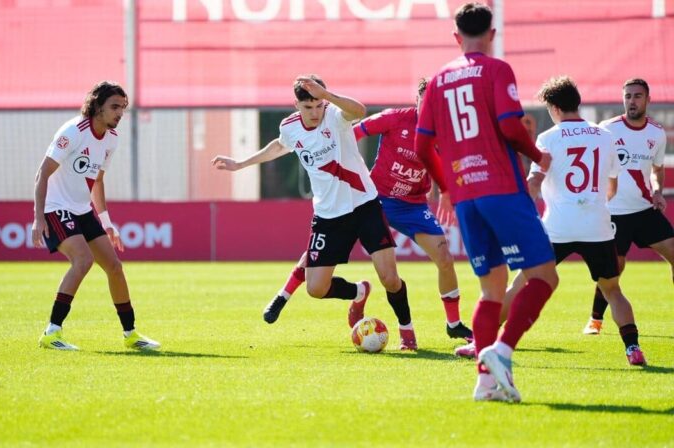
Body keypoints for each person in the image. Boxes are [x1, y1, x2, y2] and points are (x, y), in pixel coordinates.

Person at [262, 78, 475, 353]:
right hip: (375, 198)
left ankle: (453, 323)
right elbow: (354, 131)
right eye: (426, 104)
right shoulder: (394, 119)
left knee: (443, 259)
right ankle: (286, 292)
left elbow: (454, 164)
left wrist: (448, 191)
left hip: (412, 205)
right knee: (320, 248)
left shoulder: (449, 133)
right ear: (418, 102)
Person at [414, 2, 558, 402]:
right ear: (492, 35)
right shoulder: (497, 69)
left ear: (456, 38)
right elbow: (510, 125)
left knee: (490, 291)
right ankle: (503, 350)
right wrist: (536, 153)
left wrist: (445, 185)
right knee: (545, 276)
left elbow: (421, 144)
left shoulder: (439, 79)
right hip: (501, 188)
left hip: (465, 195)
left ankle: (485, 382)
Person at [212, 75, 416, 346]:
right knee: (316, 288)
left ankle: (407, 333)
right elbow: (279, 146)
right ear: (296, 105)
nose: (315, 113)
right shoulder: (291, 128)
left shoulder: (335, 115)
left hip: (364, 205)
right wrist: (240, 164)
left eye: (318, 106)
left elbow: (360, 111)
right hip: (329, 216)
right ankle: (358, 292)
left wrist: (327, 96)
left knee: (390, 279)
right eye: (308, 107)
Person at [504, 76, 646, 366]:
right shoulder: (605, 137)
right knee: (613, 291)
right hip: (597, 226)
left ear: (555, 108)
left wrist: (522, 208)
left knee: (521, 282)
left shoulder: (548, 138)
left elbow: (534, 182)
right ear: (576, 103)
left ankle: (481, 340)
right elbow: (612, 186)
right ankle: (633, 349)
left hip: (557, 227)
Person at [32, 81, 159, 352]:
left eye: (123, 108)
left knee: (114, 267)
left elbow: (97, 181)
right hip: (57, 207)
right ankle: (51, 332)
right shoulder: (73, 131)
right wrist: (38, 217)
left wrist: (107, 222)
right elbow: (42, 173)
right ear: (97, 106)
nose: (119, 113)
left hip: (82, 209)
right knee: (83, 260)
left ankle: (131, 334)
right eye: (114, 107)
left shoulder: (112, 139)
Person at [583, 78, 674, 336]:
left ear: (648, 99)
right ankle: (595, 319)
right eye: (628, 96)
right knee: (614, 269)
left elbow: (657, 169)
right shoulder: (607, 129)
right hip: (615, 213)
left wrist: (657, 191)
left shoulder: (656, 133)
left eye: (637, 96)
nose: (631, 101)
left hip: (645, 210)